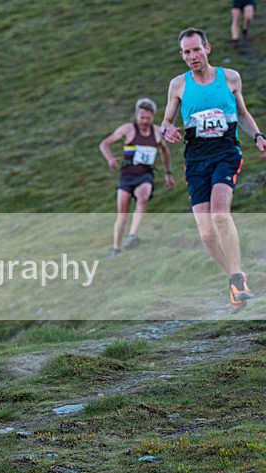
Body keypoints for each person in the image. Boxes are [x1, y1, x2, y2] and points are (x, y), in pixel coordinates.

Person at [161, 28, 266, 311]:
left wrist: (257, 136)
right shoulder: (178, 85)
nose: (192, 56)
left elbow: (242, 114)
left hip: (225, 155)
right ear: (181, 56)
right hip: (195, 161)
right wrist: (167, 131)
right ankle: (234, 280)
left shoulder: (230, 78)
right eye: (187, 52)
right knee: (206, 234)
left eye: (196, 49)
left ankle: (238, 275)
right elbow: (166, 122)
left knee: (220, 214)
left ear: (207, 48)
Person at [99, 98, 174, 256]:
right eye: (141, 118)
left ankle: (132, 235)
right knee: (122, 214)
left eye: (148, 118)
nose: (144, 121)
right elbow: (104, 144)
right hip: (126, 176)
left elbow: (165, 152)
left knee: (143, 198)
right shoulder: (128, 129)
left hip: (145, 175)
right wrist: (110, 159)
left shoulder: (157, 132)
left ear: (153, 117)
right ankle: (117, 248)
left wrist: (168, 173)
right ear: (136, 116)